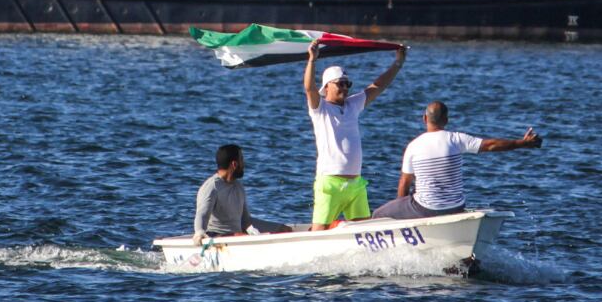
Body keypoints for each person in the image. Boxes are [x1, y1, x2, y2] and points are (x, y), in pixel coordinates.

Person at [371, 102, 542, 221]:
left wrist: (401, 212)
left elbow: (404, 183)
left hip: (425, 209)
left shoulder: (414, 146)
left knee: (378, 214)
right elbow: (491, 145)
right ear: (446, 120)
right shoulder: (457, 139)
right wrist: (523, 143)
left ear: (425, 119)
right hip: (456, 207)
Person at [303, 39, 406, 229]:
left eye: (347, 83)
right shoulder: (320, 109)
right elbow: (309, 89)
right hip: (330, 184)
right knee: (318, 233)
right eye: (339, 84)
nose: (345, 87)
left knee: (364, 231)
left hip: (356, 185)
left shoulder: (353, 105)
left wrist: (398, 62)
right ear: (326, 87)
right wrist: (312, 60)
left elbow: (378, 86)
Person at [192, 144, 287, 241]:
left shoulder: (238, 187)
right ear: (234, 164)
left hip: (237, 236)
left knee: (285, 230)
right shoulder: (212, 187)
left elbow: (246, 222)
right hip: (215, 236)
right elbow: (201, 215)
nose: (244, 164)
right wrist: (199, 233)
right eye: (241, 159)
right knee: (241, 236)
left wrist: (278, 228)